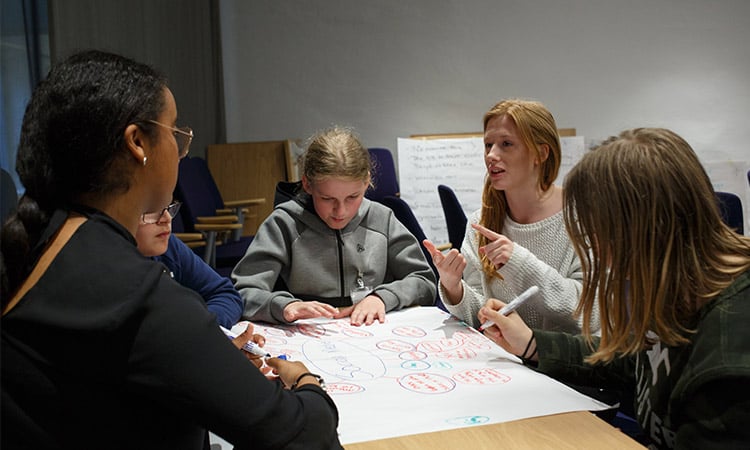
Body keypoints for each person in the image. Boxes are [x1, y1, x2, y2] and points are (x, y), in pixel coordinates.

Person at [0, 49, 341, 449]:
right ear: (138, 143)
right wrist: (305, 381)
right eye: (175, 132)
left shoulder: (46, 241)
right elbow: (301, 436)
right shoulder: (132, 293)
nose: (183, 151)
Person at [479, 128, 750, 449]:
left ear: (643, 231)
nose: (596, 252)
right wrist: (531, 344)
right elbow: (633, 359)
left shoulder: (728, 354)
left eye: (599, 235)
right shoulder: (676, 283)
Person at [424, 98, 599, 333]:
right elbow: (481, 317)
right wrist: (454, 287)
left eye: (506, 144)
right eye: (488, 145)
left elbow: (589, 315)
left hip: (560, 366)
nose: (491, 155)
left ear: (541, 153)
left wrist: (520, 262)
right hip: (505, 363)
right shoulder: (480, 222)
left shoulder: (583, 218)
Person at [234, 126, 437, 326]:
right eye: (327, 198)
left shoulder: (382, 219)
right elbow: (243, 292)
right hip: (308, 335)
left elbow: (424, 282)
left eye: (352, 197)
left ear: (367, 182)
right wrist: (284, 306)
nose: (340, 212)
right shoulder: (284, 223)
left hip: (373, 334)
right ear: (307, 184)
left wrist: (382, 298)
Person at [135, 200, 243, 328]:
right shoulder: (110, 270)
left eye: (168, 207)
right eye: (151, 211)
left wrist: (204, 328)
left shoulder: (169, 246)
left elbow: (225, 294)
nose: (167, 218)